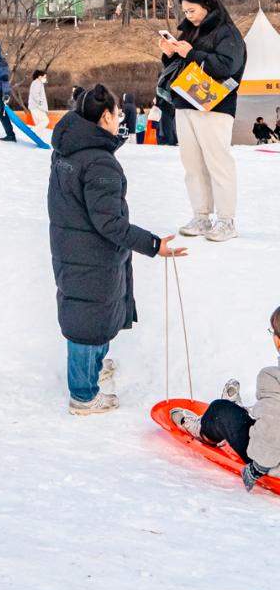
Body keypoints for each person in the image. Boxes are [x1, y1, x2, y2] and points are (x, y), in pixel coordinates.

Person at [47, 83, 186, 416]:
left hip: (75, 248)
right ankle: (83, 395)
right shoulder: (99, 163)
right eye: (118, 113)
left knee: (90, 314)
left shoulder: (68, 149)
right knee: (87, 322)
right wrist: (154, 245)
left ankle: (93, 367)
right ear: (105, 116)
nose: (121, 118)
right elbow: (109, 223)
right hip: (91, 253)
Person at [158, 0, 247, 243]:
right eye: (185, 11)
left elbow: (228, 65)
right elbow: (181, 65)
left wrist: (192, 53)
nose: (189, 16)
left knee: (218, 163)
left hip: (215, 107)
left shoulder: (227, 32)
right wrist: (169, 54)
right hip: (186, 102)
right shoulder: (189, 31)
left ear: (207, 5)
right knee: (192, 164)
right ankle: (201, 215)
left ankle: (226, 220)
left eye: (193, 10)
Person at [171, 309, 280, 490]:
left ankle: (205, 431)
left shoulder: (271, 377)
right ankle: (247, 411)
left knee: (220, 410)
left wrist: (257, 468)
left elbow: (274, 428)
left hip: (272, 460)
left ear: (277, 340)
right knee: (269, 410)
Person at [28, 69, 50, 134]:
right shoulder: (37, 83)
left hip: (35, 106)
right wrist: (40, 103)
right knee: (45, 121)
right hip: (36, 107)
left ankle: (38, 137)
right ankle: (32, 131)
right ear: (40, 77)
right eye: (45, 77)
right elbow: (35, 94)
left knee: (39, 124)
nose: (45, 78)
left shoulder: (37, 83)